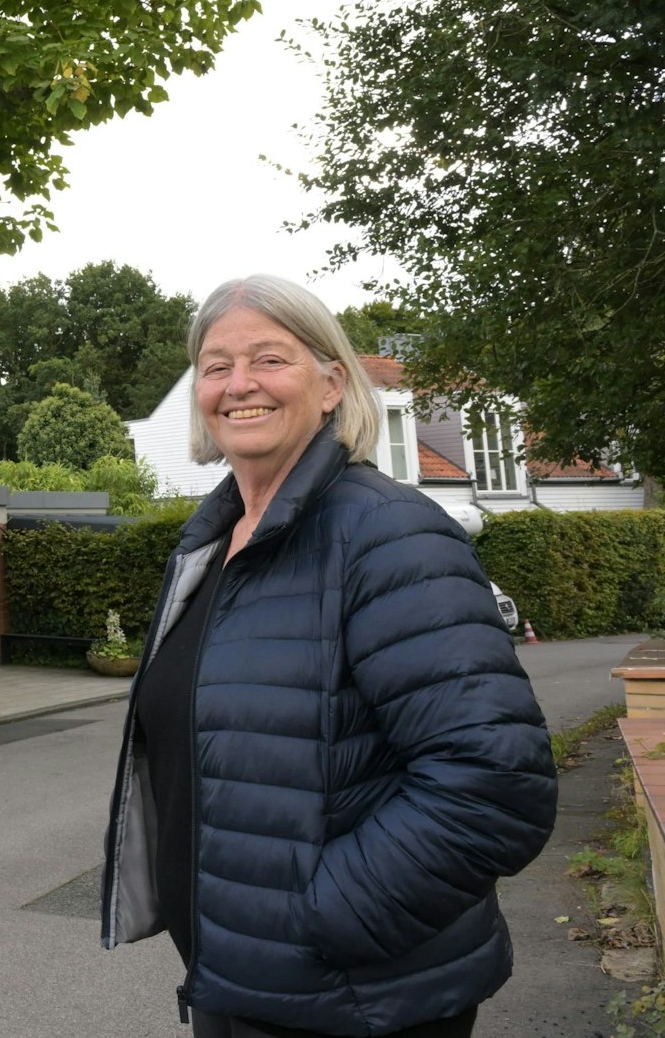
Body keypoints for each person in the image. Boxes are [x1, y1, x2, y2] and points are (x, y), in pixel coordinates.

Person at [99, 275, 557, 1037]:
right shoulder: (211, 544)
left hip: (353, 999)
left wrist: (317, 919)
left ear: (332, 384)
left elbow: (495, 785)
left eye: (269, 359)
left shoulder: (388, 535)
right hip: (237, 979)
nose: (239, 384)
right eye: (216, 366)